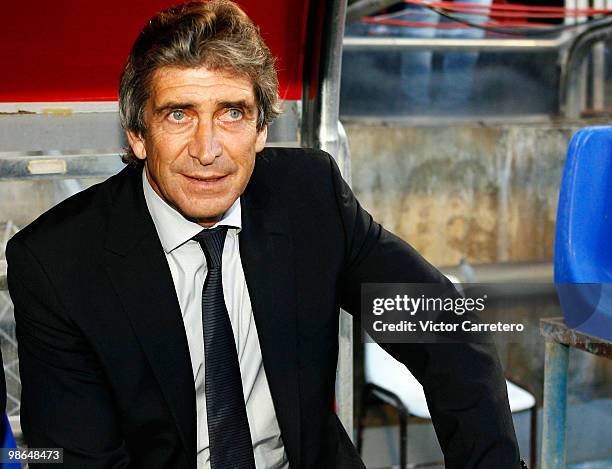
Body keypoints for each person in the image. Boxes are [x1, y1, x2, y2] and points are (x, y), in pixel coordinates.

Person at [7, 1, 522, 467]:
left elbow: (445, 328)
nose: (207, 150)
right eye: (179, 114)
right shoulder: (57, 263)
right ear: (138, 134)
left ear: (261, 130)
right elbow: (74, 460)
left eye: (232, 113)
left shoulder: (309, 197)